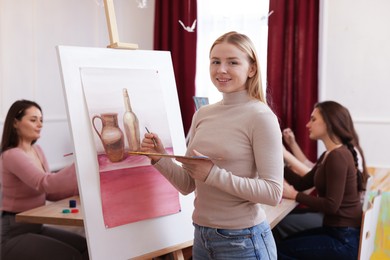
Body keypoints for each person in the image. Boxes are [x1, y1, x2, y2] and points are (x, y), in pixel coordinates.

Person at [141, 31, 283, 260]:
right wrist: (159, 158)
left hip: (244, 242)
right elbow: (188, 184)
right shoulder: (203, 114)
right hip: (202, 237)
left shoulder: (261, 117)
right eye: (215, 61)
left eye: (233, 62)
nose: (221, 69)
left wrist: (213, 174)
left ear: (252, 69)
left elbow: (273, 193)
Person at [277, 101, 368, 260]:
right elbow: (301, 183)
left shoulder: (338, 156)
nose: (307, 124)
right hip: (335, 232)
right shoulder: (329, 155)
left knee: (276, 251)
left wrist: (295, 195)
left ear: (329, 123)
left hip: (344, 239)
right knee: (278, 245)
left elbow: (331, 205)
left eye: (313, 119)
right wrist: (278, 161)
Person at [0, 100, 89, 260]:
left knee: (85, 247)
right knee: (71, 256)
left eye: (41, 120)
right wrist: (80, 164)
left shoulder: (37, 150)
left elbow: (51, 192)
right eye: (33, 120)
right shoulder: (11, 155)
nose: (40, 124)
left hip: (36, 227)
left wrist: (83, 192)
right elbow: (44, 183)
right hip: (14, 232)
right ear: (15, 122)